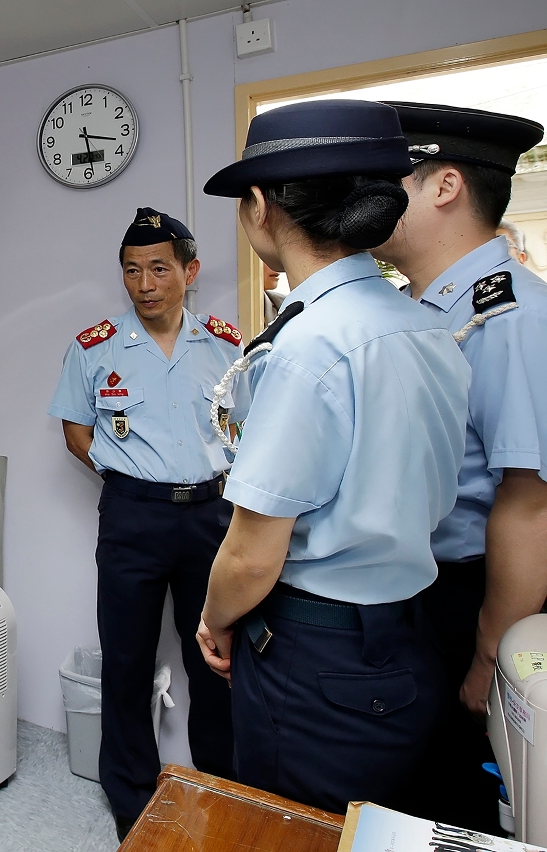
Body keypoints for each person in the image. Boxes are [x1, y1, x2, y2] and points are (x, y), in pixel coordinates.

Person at [196, 99, 471, 814]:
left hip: (317, 652)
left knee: (299, 825)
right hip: (409, 628)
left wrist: (215, 618)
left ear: (259, 207)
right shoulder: (428, 326)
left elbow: (253, 556)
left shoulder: (309, 345)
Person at [373, 102, 547, 833]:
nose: (368, 203)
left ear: (444, 186)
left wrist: (489, 654)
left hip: (472, 594)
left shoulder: (507, 316)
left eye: (389, 184)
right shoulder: (422, 309)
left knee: (458, 798)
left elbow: (527, 502)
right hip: (420, 586)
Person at [48, 207, 240, 840]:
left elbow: (246, 429)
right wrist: (128, 477)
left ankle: (220, 779)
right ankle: (130, 792)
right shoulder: (95, 347)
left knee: (213, 652)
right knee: (126, 657)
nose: (145, 283)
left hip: (212, 514)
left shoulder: (226, 344)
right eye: (132, 271)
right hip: (132, 516)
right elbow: (77, 431)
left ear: (190, 270)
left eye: (159, 268)